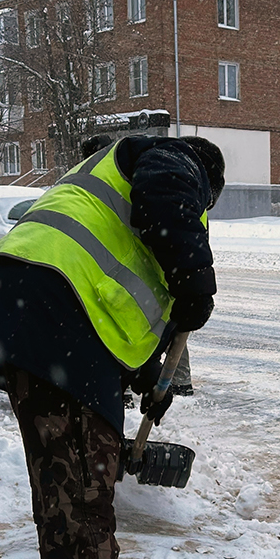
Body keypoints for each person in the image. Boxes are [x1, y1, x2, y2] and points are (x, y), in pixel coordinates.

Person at [0, 134, 225, 559]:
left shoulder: (113, 175)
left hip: (43, 304)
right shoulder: (172, 161)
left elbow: (134, 301)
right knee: (77, 478)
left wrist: (154, 382)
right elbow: (168, 200)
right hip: (52, 308)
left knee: (84, 468)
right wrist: (197, 281)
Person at [80, 134, 197, 399]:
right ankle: (175, 381)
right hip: (159, 271)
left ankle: (135, 384)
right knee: (167, 326)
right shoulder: (143, 176)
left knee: (133, 329)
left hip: (134, 273)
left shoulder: (104, 181)